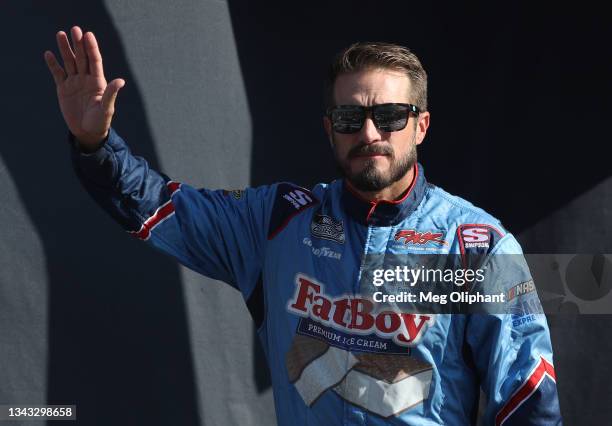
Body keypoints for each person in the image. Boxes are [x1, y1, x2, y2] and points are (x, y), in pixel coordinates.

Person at [45, 26, 562, 425]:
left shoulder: (475, 244)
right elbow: (152, 205)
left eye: (390, 116)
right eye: (348, 118)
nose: (368, 132)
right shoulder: (277, 222)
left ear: (421, 125)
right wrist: (96, 144)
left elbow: (526, 396)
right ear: (328, 130)